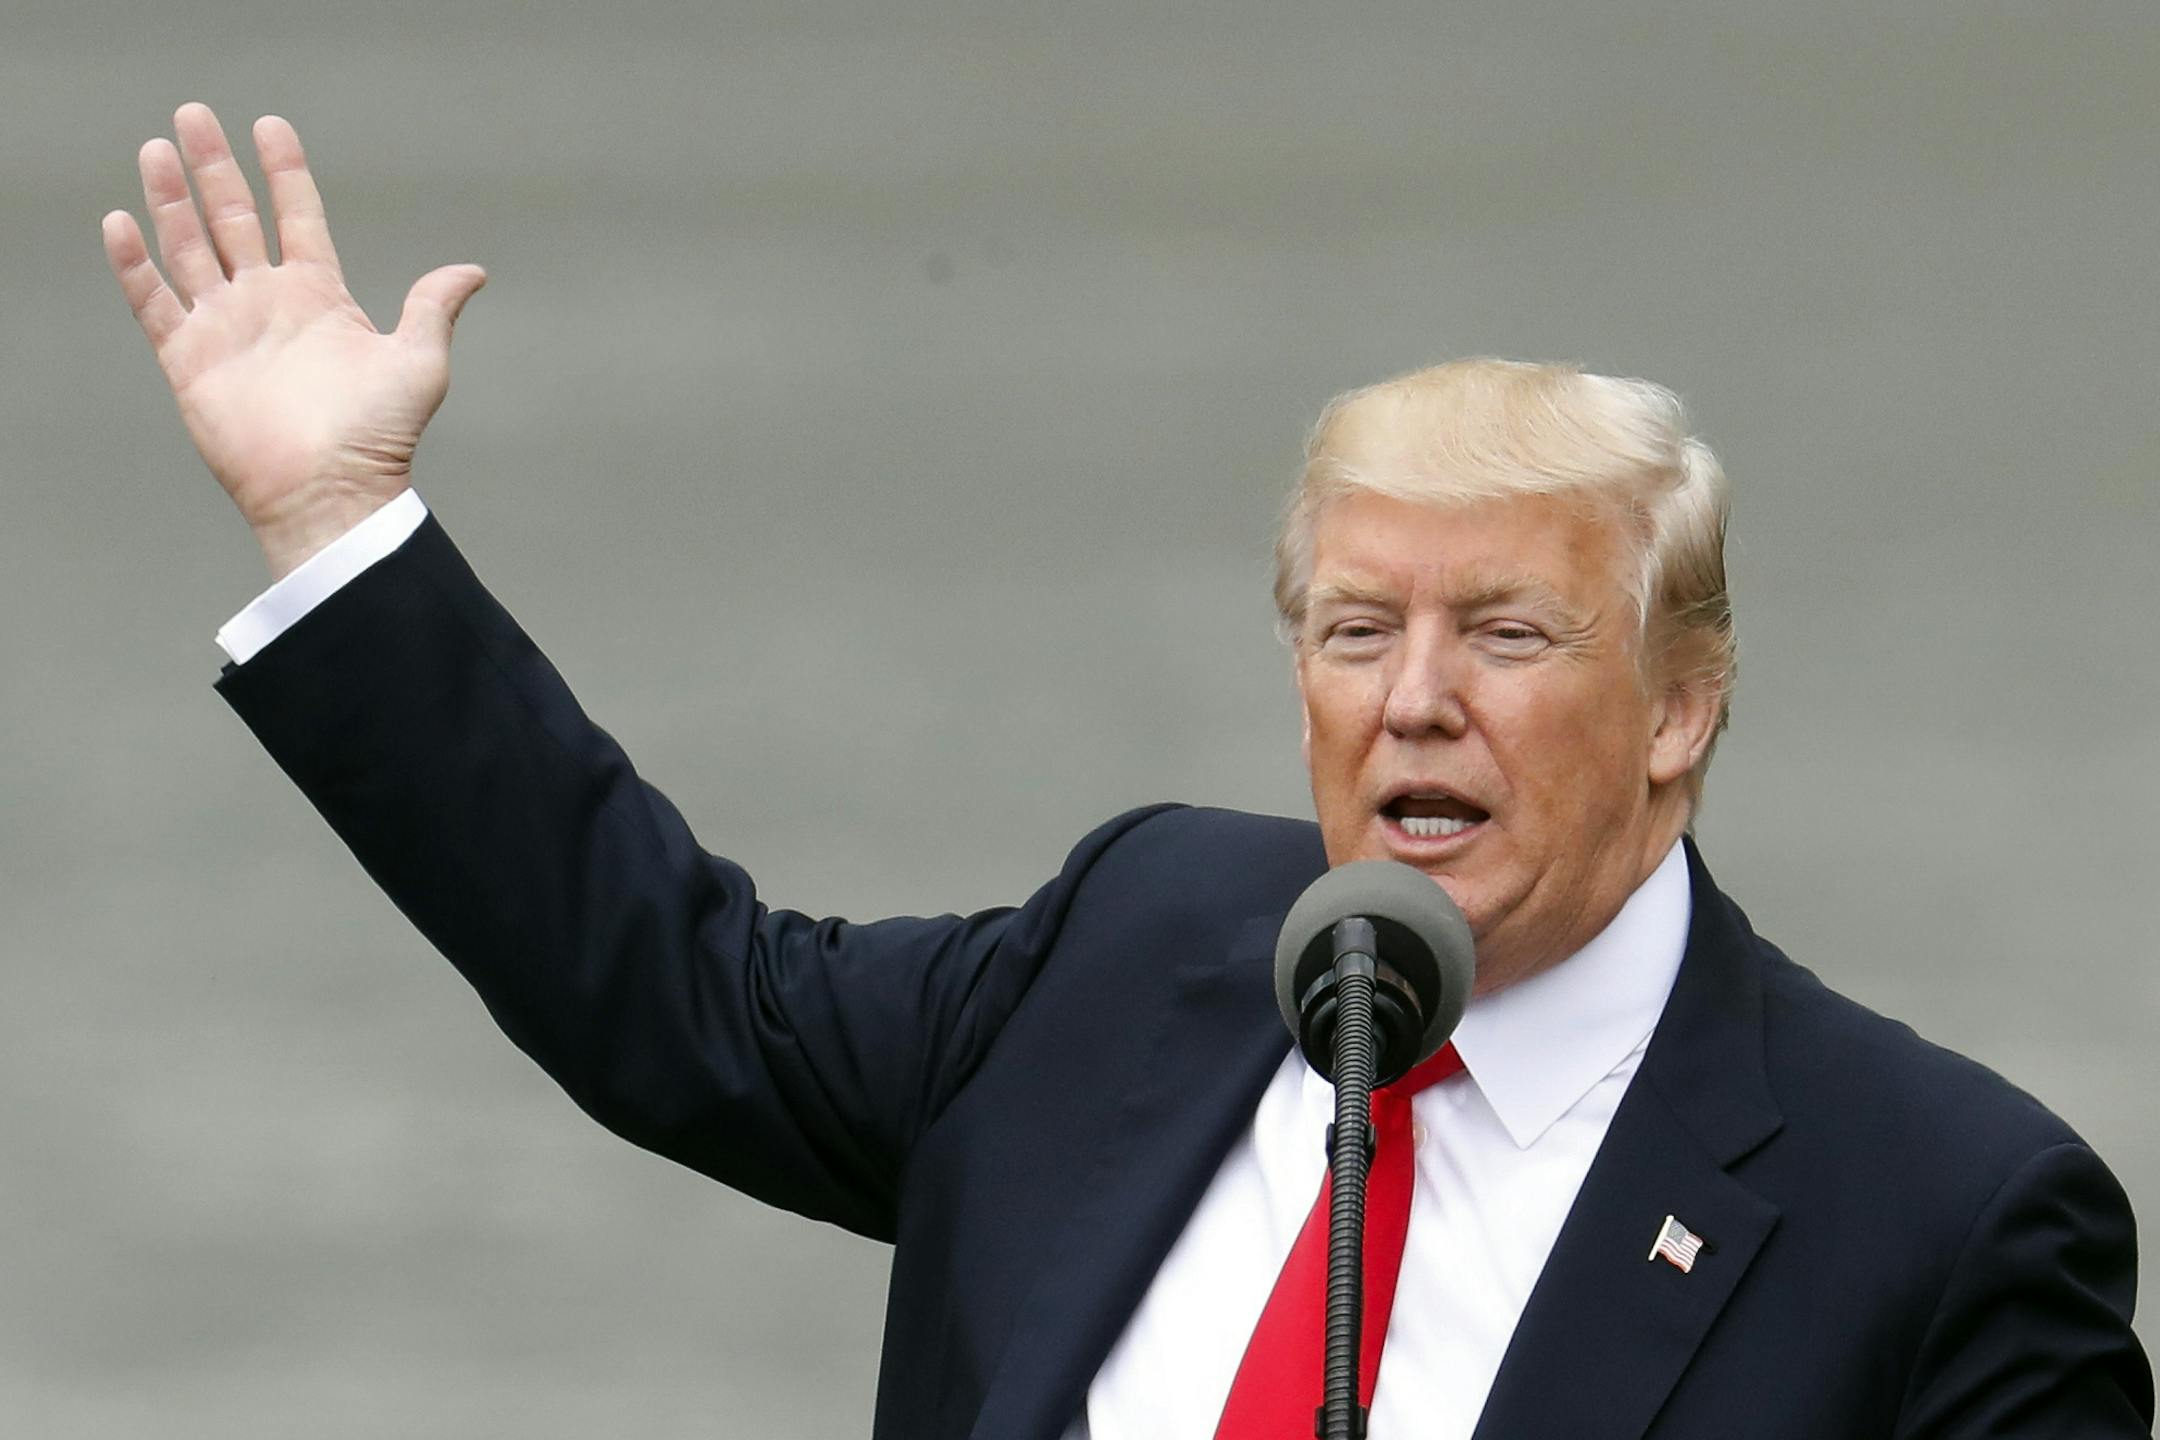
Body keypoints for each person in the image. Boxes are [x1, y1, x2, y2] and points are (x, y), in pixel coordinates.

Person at [103, 103, 2151, 1440]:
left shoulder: (1941, 1215)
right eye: (1359, 630)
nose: (1413, 699)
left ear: (1683, 705)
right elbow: (679, 994)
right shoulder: (1140, 943)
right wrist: (338, 522)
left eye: (1506, 633)